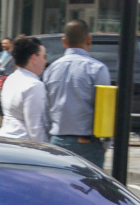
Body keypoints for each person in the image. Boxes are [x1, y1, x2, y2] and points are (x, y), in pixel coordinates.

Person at [41, 20, 112, 167]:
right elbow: (105, 110)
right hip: (87, 142)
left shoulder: (51, 69)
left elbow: (45, 109)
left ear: (64, 42)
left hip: (57, 140)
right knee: (90, 188)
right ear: (88, 39)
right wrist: (106, 143)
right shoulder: (97, 69)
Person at [0, 36, 50, 143]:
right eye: (44, 57)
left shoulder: (11, 79)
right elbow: (36, 128)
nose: (45, 61)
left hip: (4, 139)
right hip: (23, 145)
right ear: (34, 58)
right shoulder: (34, 85)